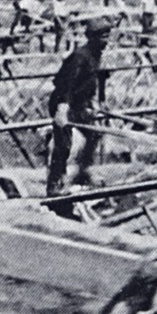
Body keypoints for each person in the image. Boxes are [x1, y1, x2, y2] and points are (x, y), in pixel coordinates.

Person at [45, 15, 113, 197]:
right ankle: (54, 184)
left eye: (108, 36)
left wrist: (98, 102)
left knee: (94, 133)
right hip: (63, 103)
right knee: (63, 144)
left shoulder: (97, 55)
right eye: (102, 37)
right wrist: (62, 109)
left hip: (79, 104)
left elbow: (97, 80)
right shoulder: (79, 56)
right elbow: (65, 84)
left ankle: (83, 171)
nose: (106, 41)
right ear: (92, 37)